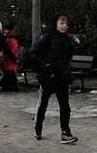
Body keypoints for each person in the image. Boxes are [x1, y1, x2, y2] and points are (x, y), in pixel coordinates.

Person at [26, 15, 78, 144]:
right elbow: (32, 53)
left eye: (66, 23)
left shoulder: (67, 40)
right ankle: (38, 130)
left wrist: (67, 71)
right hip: (48, 77)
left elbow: (67, 58)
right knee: (43, 104)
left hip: (62, 77)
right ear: (55, 24)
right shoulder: (48, 37)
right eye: (62, 23)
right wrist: (44, 66)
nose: (65, 26)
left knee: (65, 106)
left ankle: (65, 133)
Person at [0, 22, 21, 92]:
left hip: (10, 60)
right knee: (8, 73)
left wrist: (10, 56)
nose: (4, 31)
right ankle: (8, 86)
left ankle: (11, 86)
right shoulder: (7, 38)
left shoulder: (11, 38)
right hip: (7, 60)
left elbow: (14, 49)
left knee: (10, 73)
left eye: (5, 29)